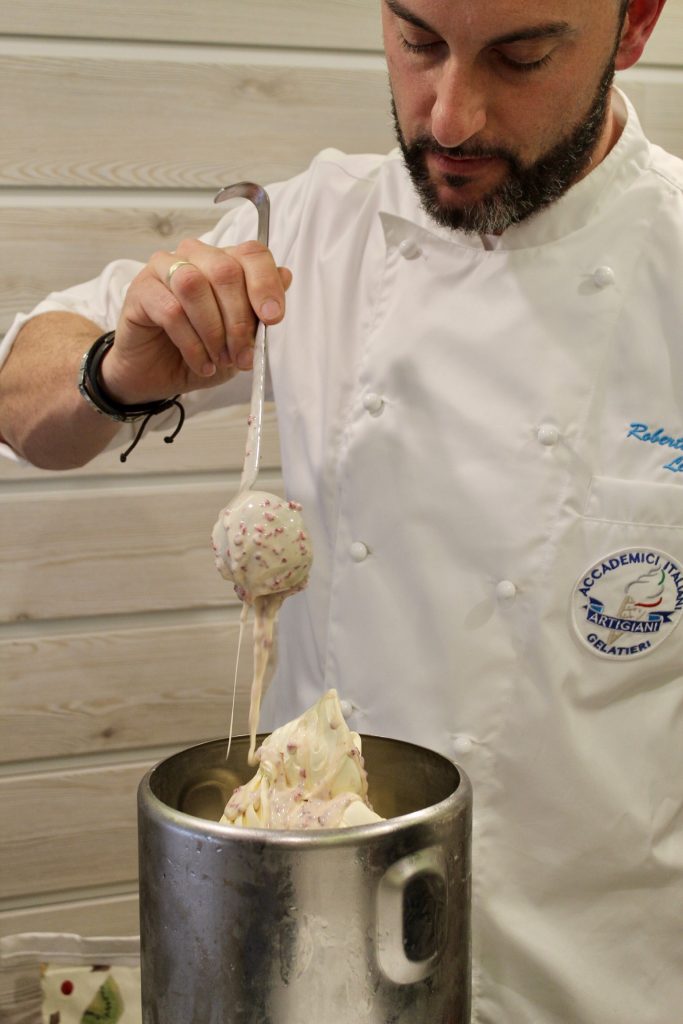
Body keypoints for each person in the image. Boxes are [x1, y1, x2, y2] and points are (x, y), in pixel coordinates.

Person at [0, 0, 680, 1020]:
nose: (447, 116)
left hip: (595, 981)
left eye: (520, 55)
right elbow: (20, 394)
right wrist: (114, 370)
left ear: (633, 26)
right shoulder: (315, 227)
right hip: (314, 968)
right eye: (416, 41)